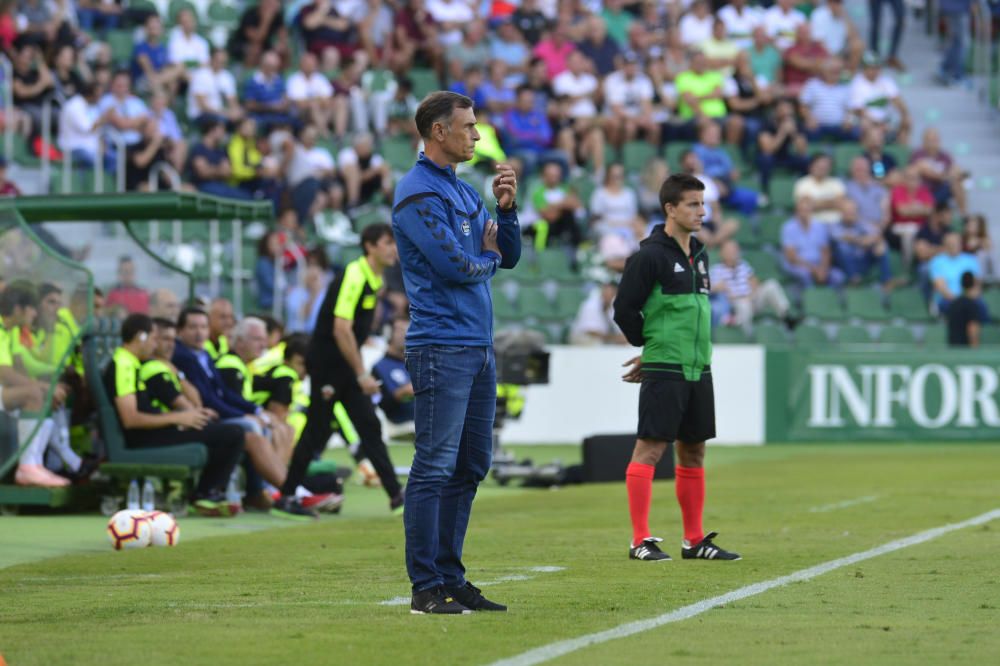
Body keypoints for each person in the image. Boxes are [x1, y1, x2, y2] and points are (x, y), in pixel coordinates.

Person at [392, 91, 521, 614]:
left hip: (476, 346)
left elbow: (504, 255)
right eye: (467, 127)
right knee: (433, 466)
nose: (476, 135)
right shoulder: (417, 193)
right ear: (438, 132)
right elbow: (456, 267)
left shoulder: (464, 191)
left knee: (470, 464)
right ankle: (426, 586)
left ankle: (451, 576)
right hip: (440, 346)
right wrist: (485, 256)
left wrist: (507, 213)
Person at [613, 173, 741, 563]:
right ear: (670, 209)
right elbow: (623, 310)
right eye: (693, 204)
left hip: (698, 367)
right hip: (665, 367)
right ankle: (640, 540)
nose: (702, 211)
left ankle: (694, 540)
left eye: (703, 204)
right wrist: (649, 347)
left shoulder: (700, 253)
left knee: (694, 452)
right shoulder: (649, 256)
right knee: (651, 448)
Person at [271, 224, 405, 520]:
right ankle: (287, 497)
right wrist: (361, 374)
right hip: (330, 366)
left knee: (369, 426)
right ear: (369, 246)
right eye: (387, 243)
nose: (393, 248)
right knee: (316, 431)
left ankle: (397, 496)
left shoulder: (374, 278)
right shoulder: (355, 275)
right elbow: (340, 328)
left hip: (344, 365)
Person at [103, 313, 244, 516]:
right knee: (233, 434)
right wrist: (177, 418)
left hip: (156, 429)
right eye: (153, 338)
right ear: (141, 337)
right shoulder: (123, 365)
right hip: (144, 437)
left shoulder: (131, 363)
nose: (155, 345)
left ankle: (207, 493)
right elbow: (130, 419)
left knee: (222, 430)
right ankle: (205, 494)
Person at [371, 318, 415, 425]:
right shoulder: (379, 367)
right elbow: (376, 401)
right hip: (399, 421)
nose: (406, 334)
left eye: (409, 330)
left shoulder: (416, 363)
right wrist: (401, 393)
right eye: (400, 330)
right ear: (389, 334)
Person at [946, 272, 985, 346]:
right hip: (966, 351)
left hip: (952, 350)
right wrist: (975, 348)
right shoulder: (973, 305)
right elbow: (973, 328)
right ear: (974, 284)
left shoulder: (954, 303)